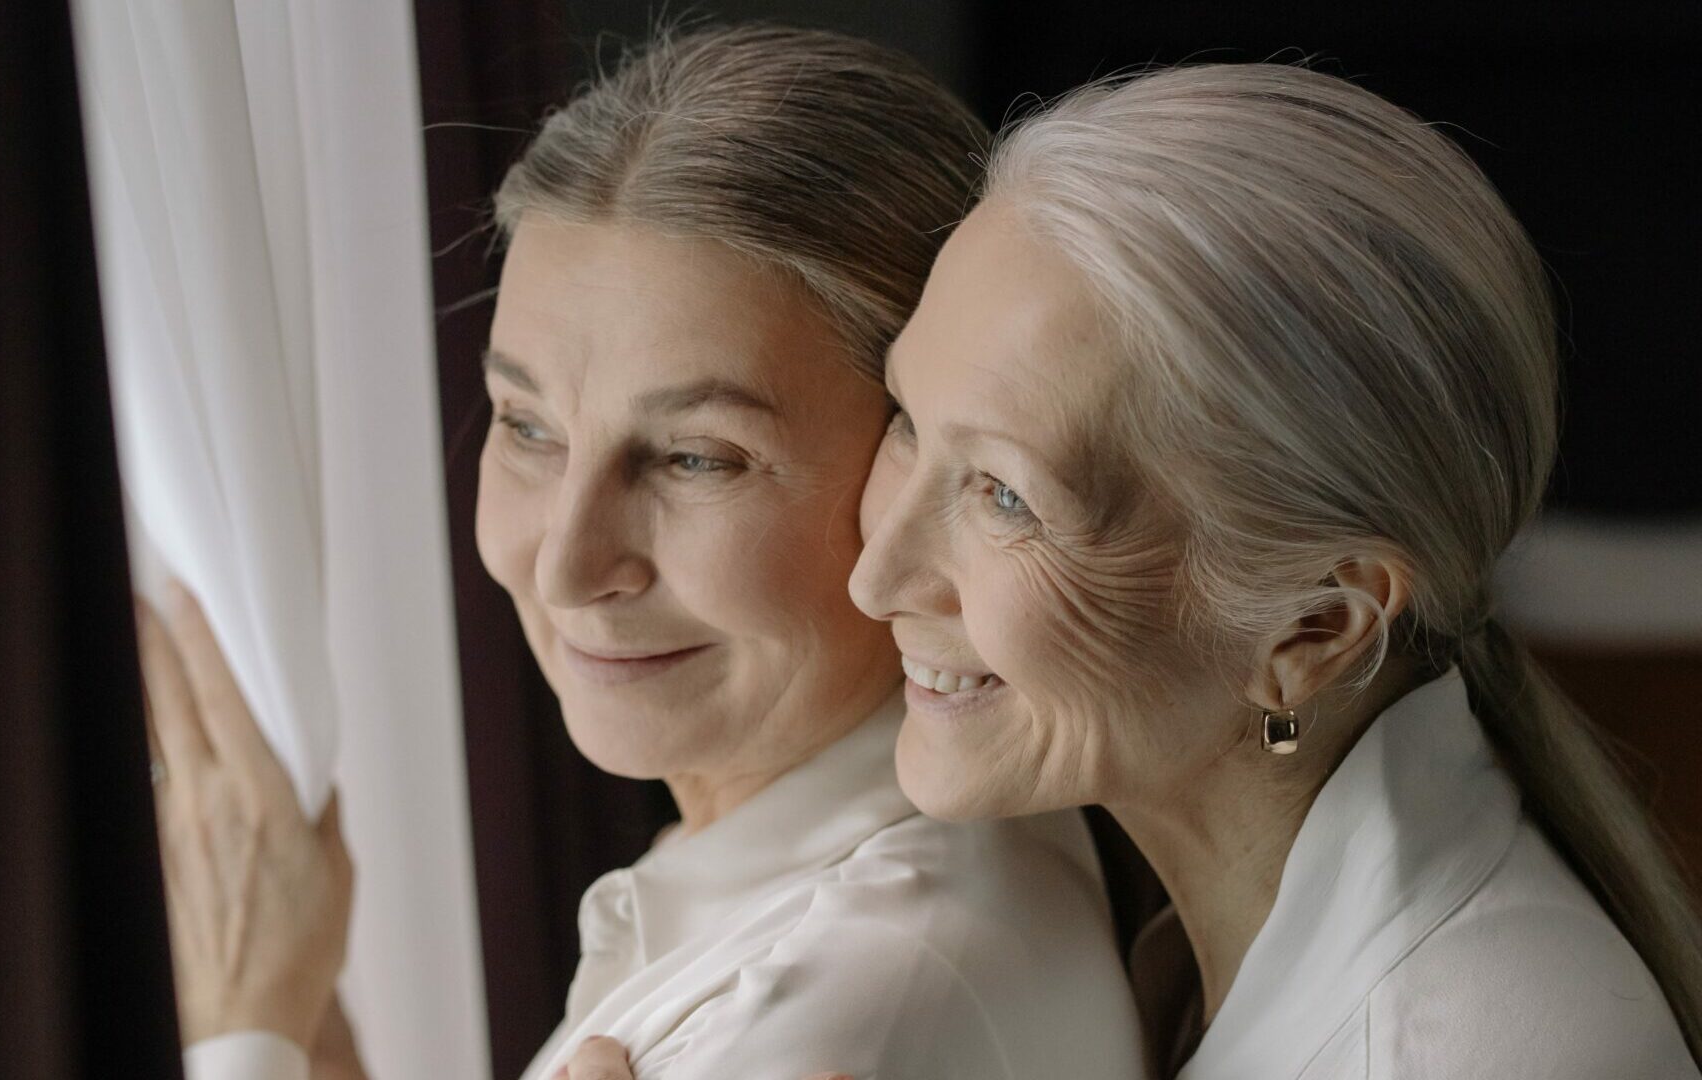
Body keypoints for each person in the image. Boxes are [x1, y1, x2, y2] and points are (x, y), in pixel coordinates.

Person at [568, 62, 1702, 1080]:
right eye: (910, 420)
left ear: (1314, 625)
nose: (878, 576)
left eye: (1006, 496)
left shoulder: (1458, 1054)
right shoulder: (1178, 926)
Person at [138, 26, 1153, 1080]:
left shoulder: (841, 1006)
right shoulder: (819, 895)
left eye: (695, 459)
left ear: (924, 465)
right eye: (527, 426)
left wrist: (240, 1030)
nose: (567, 565)